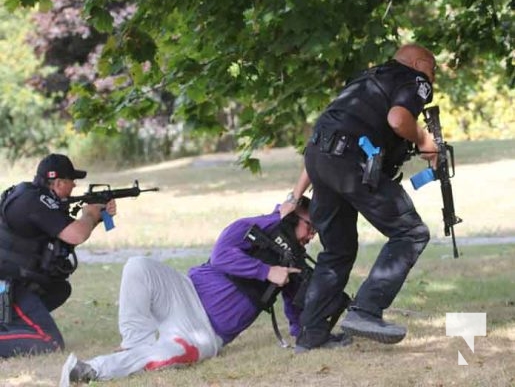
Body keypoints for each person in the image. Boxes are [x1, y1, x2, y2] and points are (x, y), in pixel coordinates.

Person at [60, 197, 350, 385]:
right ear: (290, 217)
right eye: (310, 226)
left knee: (166, 354)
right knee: (138, 265)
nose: (312, 235)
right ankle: (136, 341)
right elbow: (222, 256)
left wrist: (305, 334)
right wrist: (266, 271)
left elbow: (294, 307)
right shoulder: (248, 227)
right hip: (184, 292)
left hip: (206, 334)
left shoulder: (293, 261)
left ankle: (91, 370)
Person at [281, 43, 439, 351]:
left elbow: (324, 139)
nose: (432, 80)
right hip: (350, 160)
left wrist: (295, 194)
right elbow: (398, 119)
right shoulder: (413, 79)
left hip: (320, 158)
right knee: (410, 232)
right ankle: (365, 311)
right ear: (420, 63)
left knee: (337, 250)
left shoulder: (365, 80)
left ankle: (311, 335)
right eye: (432, 71)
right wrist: (423, 139)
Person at [0, 153, 116, 357]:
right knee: (49, 343)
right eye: (72, 182)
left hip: (13, 282)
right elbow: (76, 234)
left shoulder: (36, 197)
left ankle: (10, 325)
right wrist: (89, 215)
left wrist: (97, 217)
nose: (74, 187)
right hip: (7, 286)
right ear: (59, 183)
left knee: (57, 288)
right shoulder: (34, 200)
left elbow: (65, 239)